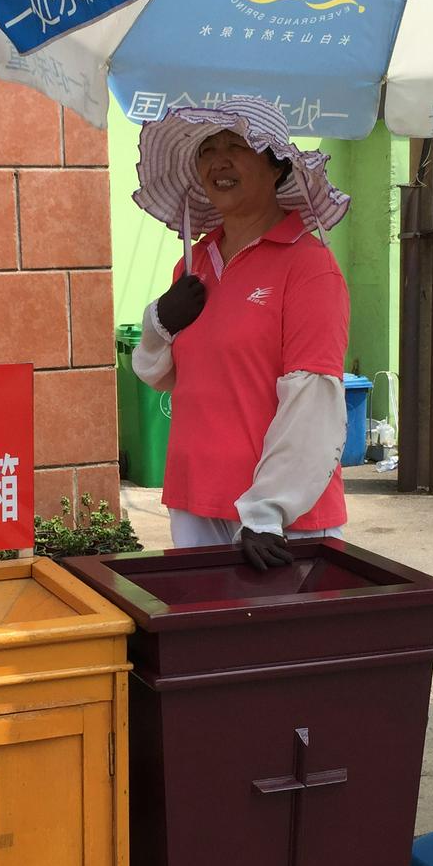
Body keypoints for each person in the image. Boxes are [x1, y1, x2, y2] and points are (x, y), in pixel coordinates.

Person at [131, 97, 351, 571]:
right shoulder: (193, 266)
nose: (220, 161)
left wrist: (268, 511)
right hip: (195, 496)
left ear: (276, 168)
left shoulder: (310, 267)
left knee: (286, 646)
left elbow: (314, 399)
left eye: (238, 146)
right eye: (208, 150)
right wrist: (159, 322)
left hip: (278, 520)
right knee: (207, 640)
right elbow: (163, 375)